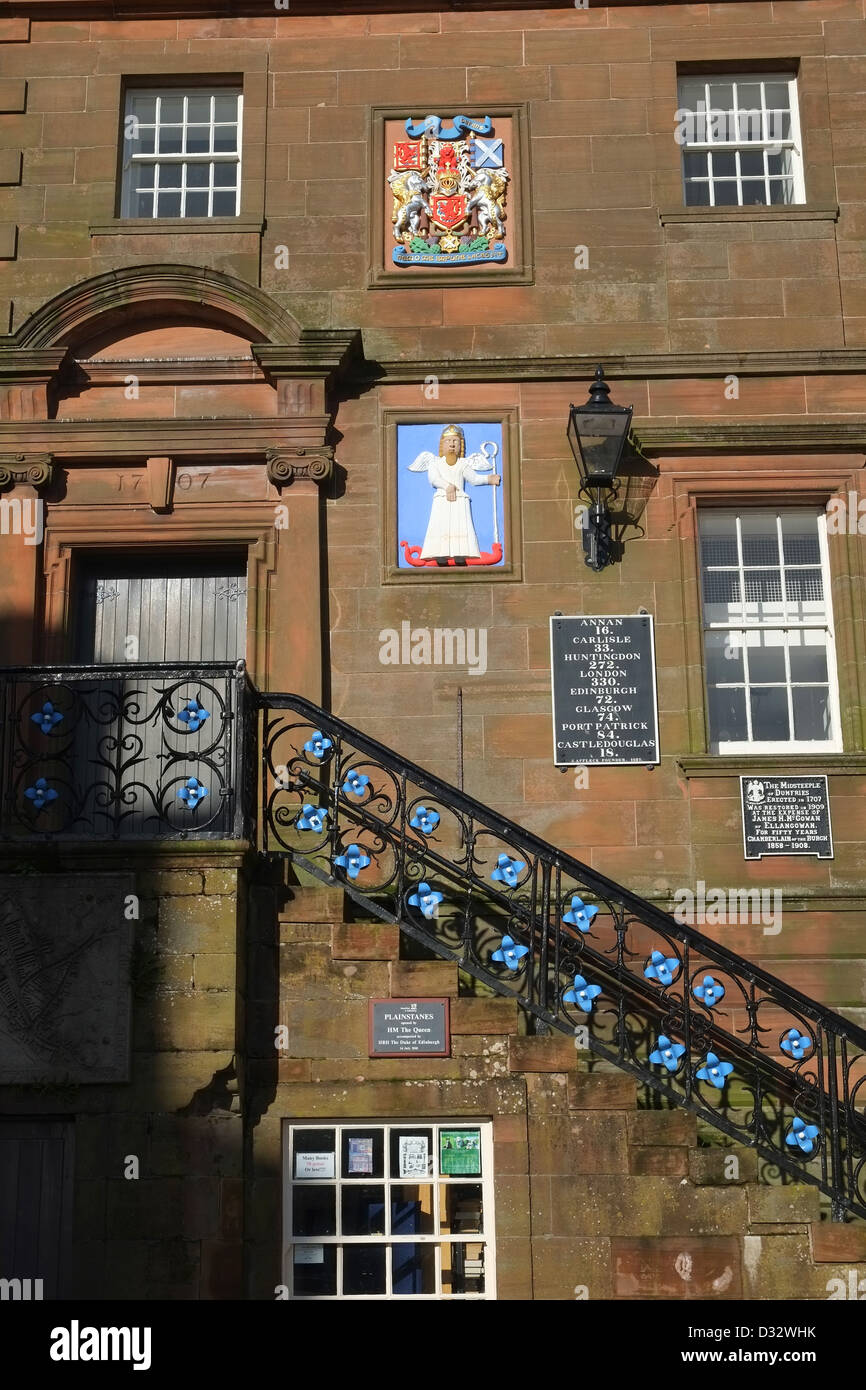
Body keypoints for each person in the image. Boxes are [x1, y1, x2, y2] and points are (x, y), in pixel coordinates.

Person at [407, 425, 500, 565]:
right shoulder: (436, 464)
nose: (451, 444)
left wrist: (489, 479)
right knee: (440, 525)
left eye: (455, 441)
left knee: (460, 526)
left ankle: (460, 554)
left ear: (460, 445)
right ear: (442, 445)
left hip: (459, 500)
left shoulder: (462, 464)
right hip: (442, 500)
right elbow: (434, 479)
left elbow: (473, 479)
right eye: (448, 441)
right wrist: (447, 486)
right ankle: (440, 555)